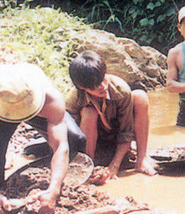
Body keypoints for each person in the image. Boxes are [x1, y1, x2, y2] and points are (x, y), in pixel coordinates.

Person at [0, 63, 87, 214]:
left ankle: (53, 170)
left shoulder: (50, 98)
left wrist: (53, 190)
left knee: (75, 140)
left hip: (34, 106)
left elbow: (61, 145)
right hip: (3, 109)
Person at [66, 50, 156, 181]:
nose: (102, 86)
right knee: (89, 113)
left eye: (103, 79)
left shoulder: (121, 90)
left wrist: (114, 165)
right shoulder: (73, 100)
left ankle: (141, 160)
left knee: (140, 97)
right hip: (92, 145)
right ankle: (88, 166)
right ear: (82, 87)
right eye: (95, 86)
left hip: (116, 140)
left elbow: (126, 132)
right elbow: (70, 134)